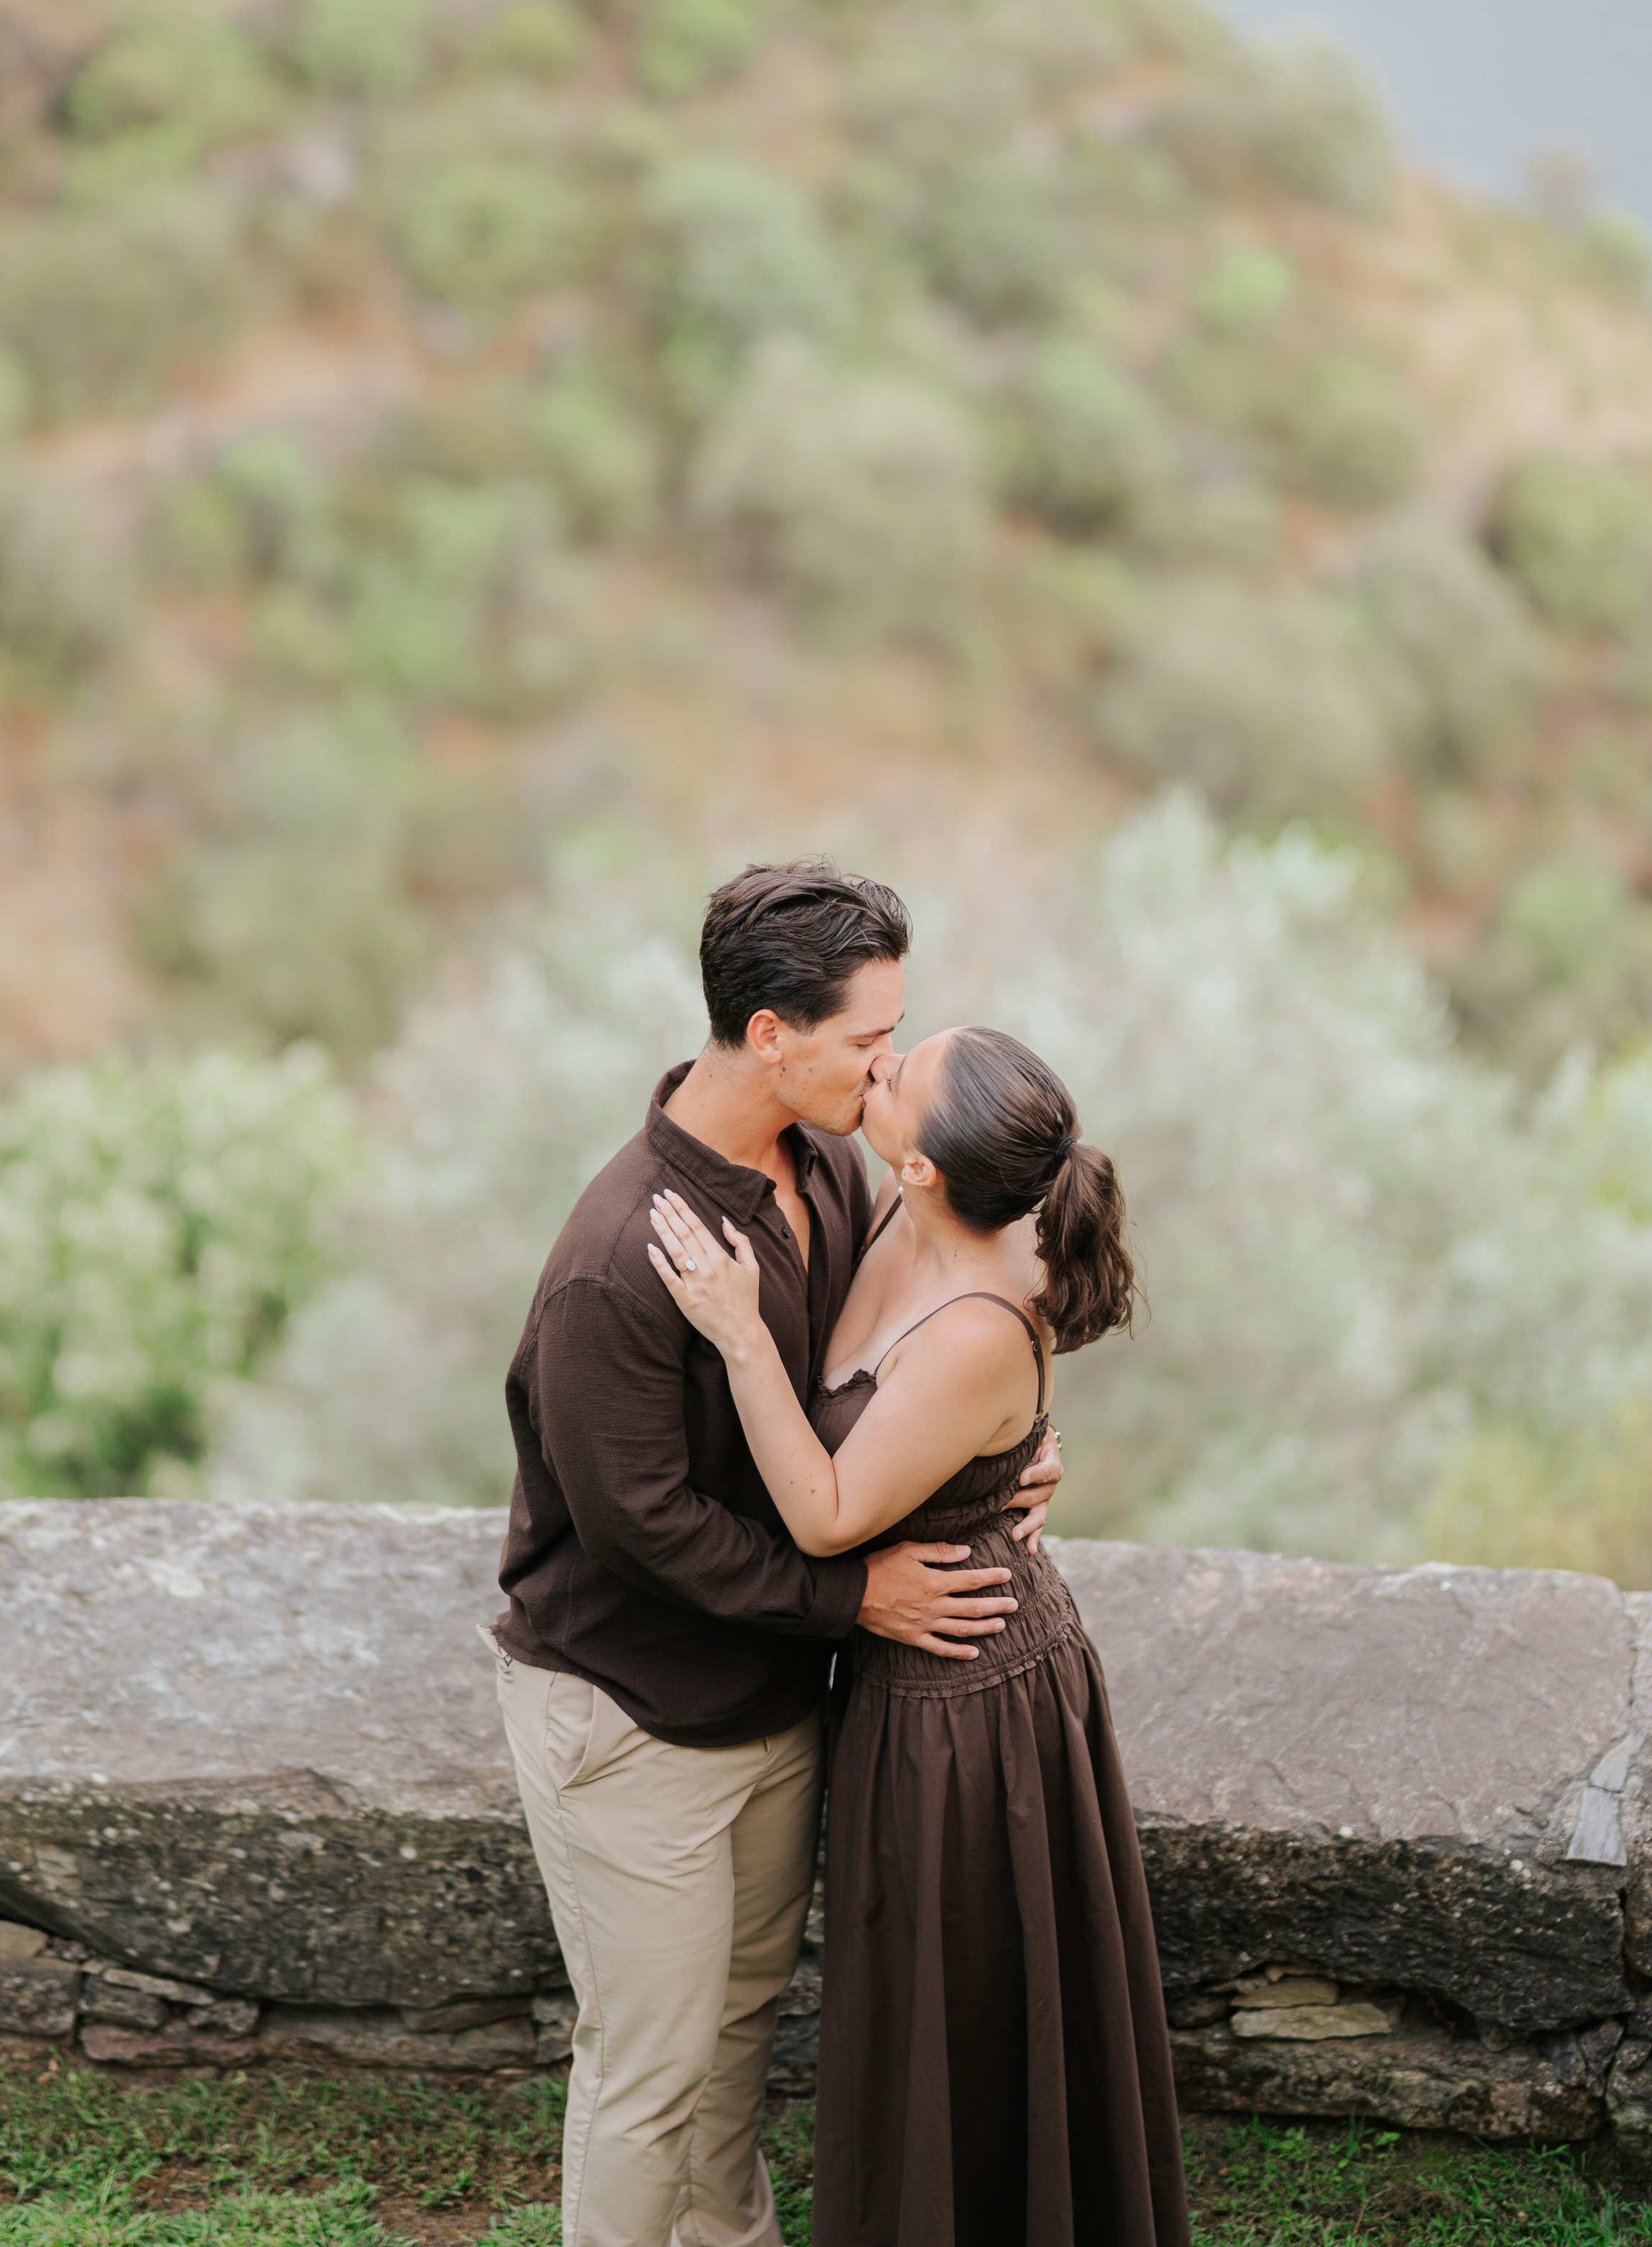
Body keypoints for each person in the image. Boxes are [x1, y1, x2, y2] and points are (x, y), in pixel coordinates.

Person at [488, 861, 1063, 2247]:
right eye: (869, 1042)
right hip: (631, 1718)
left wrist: (997, 1459)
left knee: (737, 2044)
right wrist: (856, 1592)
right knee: (649, 2075)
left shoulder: (824, 1162)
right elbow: (641, 1532)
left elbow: (894, 1360)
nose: (884, 1074)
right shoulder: (617, 1261)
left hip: (770, 1697)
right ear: (769, 1035)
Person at [649, 1022, 1191, 2247]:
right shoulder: (895, 1206)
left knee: (977, 2004)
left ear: (924, 1172)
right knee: (934, 2002)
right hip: (914, 1663)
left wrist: (740, 1335)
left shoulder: (977, 1322)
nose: (880, 1066)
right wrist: (1021, 1461)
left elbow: (830, 1516)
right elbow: (988, 1430)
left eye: (903, 1072)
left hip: (968, 1697)